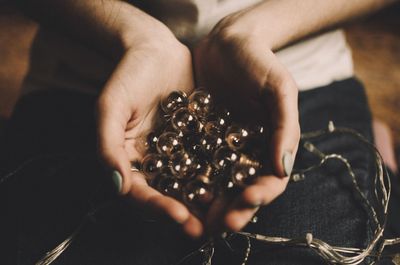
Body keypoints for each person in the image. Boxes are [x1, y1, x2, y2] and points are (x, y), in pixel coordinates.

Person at [0, 0, 399, 264]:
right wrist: (136, 36)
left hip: (295, 75)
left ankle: (379, 155)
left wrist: (250, 32)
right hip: (87, 81)